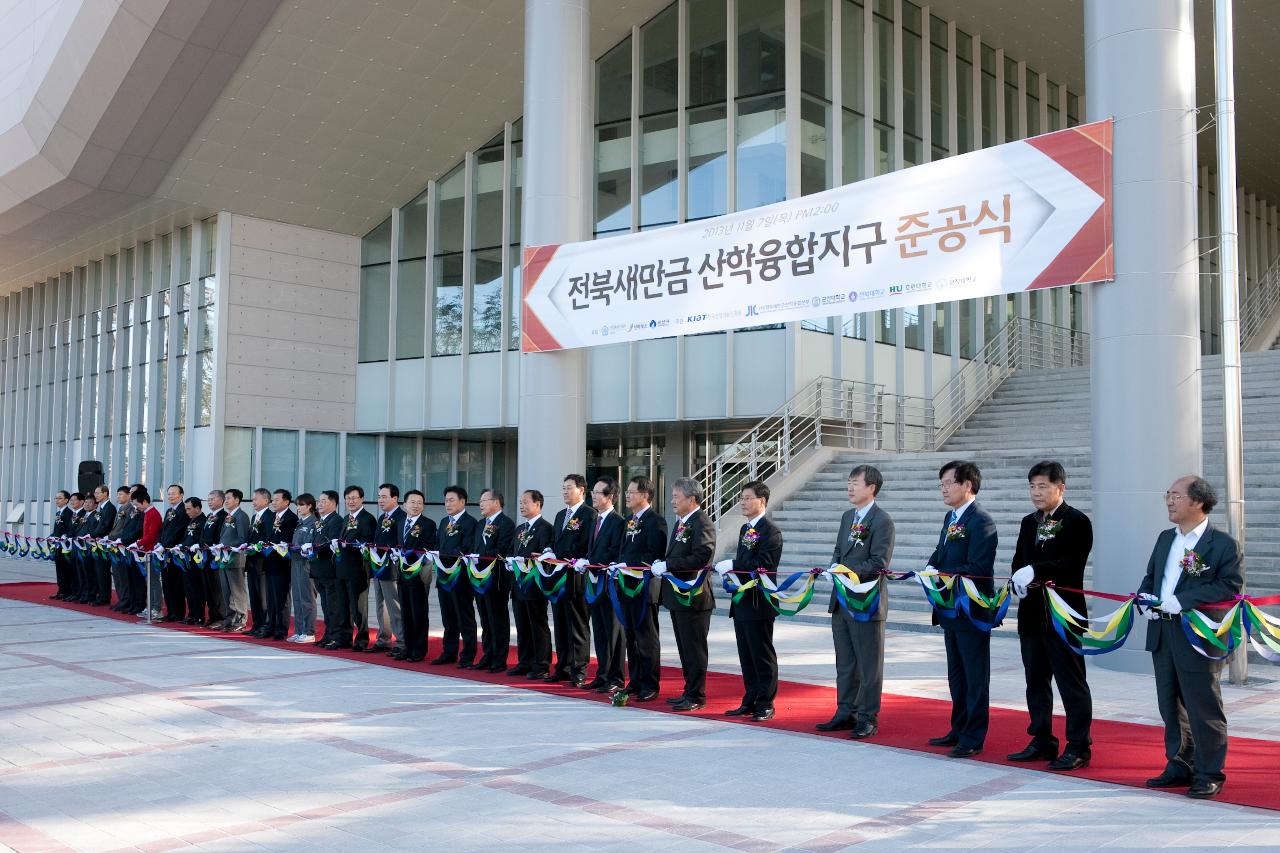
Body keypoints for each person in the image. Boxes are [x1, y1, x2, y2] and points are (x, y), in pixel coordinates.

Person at [1137, 476, 1244, 800]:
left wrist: (1184, 600)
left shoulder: (1222, 544)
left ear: (1197, 502)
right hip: (1163, 632)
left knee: (1202, 706)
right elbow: (1152, 577)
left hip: (1197, 635)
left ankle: (1209, 772)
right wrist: (1145, 598)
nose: (1169, 501)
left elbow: (1229, 585)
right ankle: (1180, 763)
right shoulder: (1164, 539)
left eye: (1175, 495)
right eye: (1167, 495)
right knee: (1170, 705)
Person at [1007, 461, 1095, 770]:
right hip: (1031, 614)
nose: (1036, 492)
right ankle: (1042, 737)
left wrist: (1037, 570)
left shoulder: (1077, 521)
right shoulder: (1028, 522)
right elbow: (1018, 560)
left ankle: (1079, 745)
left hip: (1063, 614)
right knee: (1035, 680)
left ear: (1061, 488)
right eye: (1032, 486)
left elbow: (1072, 564)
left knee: (1071, 681)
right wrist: (1016, 579)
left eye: (1042, 486)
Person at [924, 460, 998, 758]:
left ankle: (973, 736)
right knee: (956, 674)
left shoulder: (981, 521)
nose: (943, 489)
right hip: (949, 608)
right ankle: (958, 727)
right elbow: (941, 551)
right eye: (941, 484)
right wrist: (931, 565)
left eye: (948, 483)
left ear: (967, 485)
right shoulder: (951, 517)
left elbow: (979, 566)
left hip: (971, 609)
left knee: (975, 675)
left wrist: (944, 574)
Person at [818, 464, 896, 739]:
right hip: (841, 600)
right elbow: (839, 551)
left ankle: (867, 716)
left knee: (868, 663)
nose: (850, 487)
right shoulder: (847, 517)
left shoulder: (882, 520)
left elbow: (879, 562)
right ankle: (845, 711)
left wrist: (846, 572)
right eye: (848, 482)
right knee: (846, 661)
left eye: (855, 482)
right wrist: (833, 568)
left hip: (866, 602)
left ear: (871, 488)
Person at [716, 481, 783, 722]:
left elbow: (762, 565)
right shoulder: (746, 529)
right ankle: (751, 697)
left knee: (762, 653)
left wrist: (734, 565)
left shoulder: (771, 532)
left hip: (760, 601)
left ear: (761, 501)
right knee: (745, 653)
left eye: (747, 498)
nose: (742, 502)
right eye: (741, 497)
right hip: (743, 600)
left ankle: (766, 702)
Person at [654, 477, 716, 712]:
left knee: (694, 649)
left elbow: (701, 557)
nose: (672, 501)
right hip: (678, 596)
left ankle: (697, 695)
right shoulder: (682, 522)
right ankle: (689, 691)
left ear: (691, 499)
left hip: (694, 597)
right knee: (684, 647)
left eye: (676, 497)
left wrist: (669, 565)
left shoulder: (702, 523)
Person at [616, 476, 667, 702]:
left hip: (644, 588)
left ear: (645, 495)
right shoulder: (629, 520)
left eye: (631, 492)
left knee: (646, 637)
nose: (627, 495)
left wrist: (630, 564)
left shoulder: (656, 521)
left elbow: (654, 553)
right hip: (626, 585)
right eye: (627, 491)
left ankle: (650, 683)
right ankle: (635, 681)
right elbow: (623, 550)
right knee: (631, 637)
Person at [544, 474, 596, 686]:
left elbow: (586, 545)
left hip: (576, 577)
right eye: (563, 488)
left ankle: (579, 670)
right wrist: (549, 551)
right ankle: (563, 666)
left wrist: (566, 556)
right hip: (558, 578)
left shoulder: (589, 515)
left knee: (578, 625)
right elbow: (555, 541)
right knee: (561, 624)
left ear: (582, 490)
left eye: (569, 488)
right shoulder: (559, 515)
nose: (565, 492)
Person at [583, 476, 626, 694]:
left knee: (613, 633)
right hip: (594, 582)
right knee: (599, 630)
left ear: (610, 497)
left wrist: (591, 562)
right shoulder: (595, 520)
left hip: (610, 585)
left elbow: (614, 551)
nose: (593, 496)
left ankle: (616, 676)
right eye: (593, 492)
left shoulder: (618, 522)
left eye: (598, 493)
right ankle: (602, 674)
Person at [509, 489, 554, 679]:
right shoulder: (520, 529)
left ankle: (541, 664)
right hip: (519, 584)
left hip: (535, 585)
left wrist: (527, 559)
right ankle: (524, 661)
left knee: (538, 624)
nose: (522, 505)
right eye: (520, 502)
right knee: (522, 625)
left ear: (538, 504)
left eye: (526, 502)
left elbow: (545, 555)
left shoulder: (545, 528)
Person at [433, 485, 479, 667]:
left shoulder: (470, 522)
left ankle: (468, 655)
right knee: (448, 617)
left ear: (462, 501)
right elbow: (438, 543)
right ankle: (448, 652)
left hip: (461, 579)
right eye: (446, 500)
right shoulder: (444, 521)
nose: (447, 503)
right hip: (444, 576)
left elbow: (466, 547)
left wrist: (443, 553)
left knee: (464, 617)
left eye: (451, 500)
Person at [473, 488, 515, 673]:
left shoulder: (506, 523)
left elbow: (502, 549)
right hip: (480, 578)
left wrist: (479, 556)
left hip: (496, 579)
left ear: (496, 502)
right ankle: (487, 654)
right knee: (485, 619)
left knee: (497, 619)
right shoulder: (481, 523)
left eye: (484, 500)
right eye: (480, 500)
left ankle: (499, 659)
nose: (481, 504)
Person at [332, 486, 376, 650]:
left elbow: (367, 542)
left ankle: (362, 639)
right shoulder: (346, 518)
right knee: (343, 606)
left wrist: (349, 545)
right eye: (348, 498)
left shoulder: (367, 518)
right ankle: (344, 638)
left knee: (358, 608)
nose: (350, 501)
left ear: (362, 499)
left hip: (358, 569)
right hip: (342, 568)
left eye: (354, 498)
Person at [396, 489, 438, 662]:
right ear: (404, 505)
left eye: (419, 503)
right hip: (402, 573)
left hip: (419, 574)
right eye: (412, 502)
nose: (416, 505)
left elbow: (428, 547)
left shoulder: (428, 524)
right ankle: (408, 646)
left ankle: (419, 650)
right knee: (405, 611)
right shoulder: (399, 522)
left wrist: (409, 555)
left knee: (419, 612)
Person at [369, 484, 406, 655]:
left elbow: (400, 544)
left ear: (394, 498)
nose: (380, 500)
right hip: (378, 567)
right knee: (380, 604)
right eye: (379, 497)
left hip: (391, 567)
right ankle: (383, 639)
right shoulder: (381, 517)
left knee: (394, 606)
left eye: (384, 497)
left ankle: (401, 641)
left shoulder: (401, 517)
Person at [305, 490, 343, 645]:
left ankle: (334, 635)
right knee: (325, 605)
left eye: (323, 501)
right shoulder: (320, 520)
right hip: (318, 569)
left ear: (333, 503)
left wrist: (314, 548)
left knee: (333, 606)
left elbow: (330, 543)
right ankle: (328, 634)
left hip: (329, 569)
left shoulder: (336, 520)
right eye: (318, 500)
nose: (319, 504)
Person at [260, 489, 297, 641]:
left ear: (286, 502)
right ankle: (270, 626)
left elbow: (287, 539)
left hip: (282, 563)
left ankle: (281, 629)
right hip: (269, 562)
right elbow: (266, 536)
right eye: (272, 500)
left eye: (276, 500)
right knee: (270, 597)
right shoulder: (270, 517)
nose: (273, 503)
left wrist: (274, 545)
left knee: (281, 597)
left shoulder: (291, 518)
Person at [215, 488, 252, 632]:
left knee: (237, 591)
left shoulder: (241, 516)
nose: (226, 501)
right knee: (226, 590)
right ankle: (229, 618)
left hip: (235, 559)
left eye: (229, 498)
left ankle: (240, 620)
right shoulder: (228, 516)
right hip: (223, 558)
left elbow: (243, 539)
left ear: (237, 500)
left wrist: (229, 547)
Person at [288, 493, 320, 643]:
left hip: (306, 565)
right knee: (298, 598)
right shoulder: (300, 523)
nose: (299, 508)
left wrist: (298, 547)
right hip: (295, 563)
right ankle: (299, 630)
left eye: (301, 505)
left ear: (310, 506)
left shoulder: (314, 523)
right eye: (298, 505)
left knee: (307, 598)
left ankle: (309, 632)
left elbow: (311, 545)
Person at [197, 491, 229, 628]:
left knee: (217, 589)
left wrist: (210, 545)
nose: (209, 502)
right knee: (208, 588)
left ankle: (220, 617)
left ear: (221, 500)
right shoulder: (210, 515)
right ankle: (212, 616)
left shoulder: (224, 516)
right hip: (205, 556)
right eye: (208, 499)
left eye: (212, 499)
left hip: (215, 556)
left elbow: (220, 535)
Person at [244, 489, 274, 634]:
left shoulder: (270, 516)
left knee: (262, 596)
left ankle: (264, 625)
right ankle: (256, 624)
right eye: (253, 499)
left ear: (266, 501)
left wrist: (256, 546)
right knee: (254, 595)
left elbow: (267, 538)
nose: (253, 502)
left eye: (256, 499)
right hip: (251, 561)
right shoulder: (254, 516)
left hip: (262, 562)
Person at [158, 485, 188, 622]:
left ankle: (178, 612)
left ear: (181, 495)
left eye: (173, 493)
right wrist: (159, 543)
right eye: (168, 493)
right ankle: (170, 611)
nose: (170, 496)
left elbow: (178, 532)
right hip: (165, 552)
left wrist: (165, 545)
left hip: (175, 552)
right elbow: (164, 530)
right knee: (167, 583)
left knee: (176, 584)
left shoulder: (183, 511)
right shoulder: (169, 511)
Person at [131, 486, 163, 617]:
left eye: (137, 504)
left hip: (152, 553)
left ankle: (157, 608)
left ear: (144, 501)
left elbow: (152, 535)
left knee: (153, 582)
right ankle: (150, 607)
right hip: (147, 551)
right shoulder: (147, 513)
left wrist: (138, 543)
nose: (136, 507)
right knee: (148, 581)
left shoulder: (153, 514)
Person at [107, 486, 135, 611]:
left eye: (121, 494)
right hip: (114, 545)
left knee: (123, 576)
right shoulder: (121, 509)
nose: (118, 497)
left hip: (122, 546)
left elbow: (127, 529)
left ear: (129, 495)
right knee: (117, 575)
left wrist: (116, 538)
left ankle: (126, 600)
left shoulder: (131, 509)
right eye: (117, 494)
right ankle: (121, 598)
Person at [180, 498, 208, 623]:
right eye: (186, 509)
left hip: (197, 559)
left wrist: (191, 545)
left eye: (189, 509)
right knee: (189, 589)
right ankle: (191, 614)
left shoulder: (203, 521)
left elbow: (199, 538)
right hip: (187, 558)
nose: (187, 511)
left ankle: (199, 615)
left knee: (197, 589)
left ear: (197, 508)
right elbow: (187, 537)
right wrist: (181, 545)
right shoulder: (191, 520)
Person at [90, 485, 117, 606]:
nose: (96, 495)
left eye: (98, 493)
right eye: (95, 493)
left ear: (105, 493)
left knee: (103, 571)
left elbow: (105, 526)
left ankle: (104, 597)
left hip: (104, 543)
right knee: (98, 571)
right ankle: (100, 595)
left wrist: (93, 535)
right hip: (98, 542)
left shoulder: (109, 508)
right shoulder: (101, 508)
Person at [50, 490, 73, 600]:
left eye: (59, 498)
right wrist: (51, 536)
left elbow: (69, 529)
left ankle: (66, 591)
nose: (57, 500)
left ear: (66, 500)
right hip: (57, 545)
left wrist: (63, 536)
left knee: (65, 569)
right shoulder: (58, 513)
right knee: (59, 568)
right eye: (56, 498)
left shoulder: (69, 513)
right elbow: (57, 529)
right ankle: (60, 590)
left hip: (65, 545)